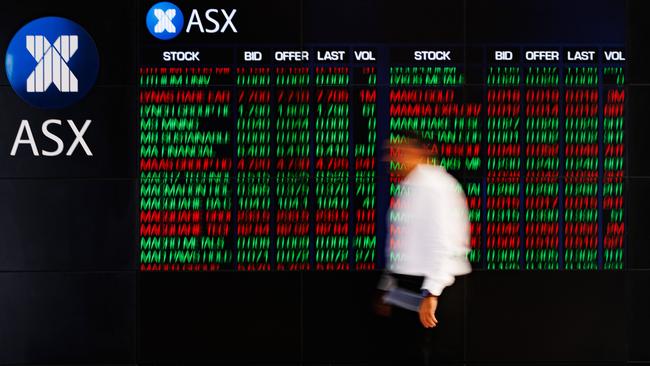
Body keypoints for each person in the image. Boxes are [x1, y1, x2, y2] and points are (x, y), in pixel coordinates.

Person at [373, 132, 471, 365]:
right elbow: (401, 244)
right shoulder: (409, 186)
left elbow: (446, 242)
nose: (393, 158)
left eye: (400, 151)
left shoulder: (436, 186)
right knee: (408, 352)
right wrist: (388, 288)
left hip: (436, 289)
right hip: (412, 287)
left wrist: (432, 293)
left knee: (435, 355)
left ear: (419, 153)